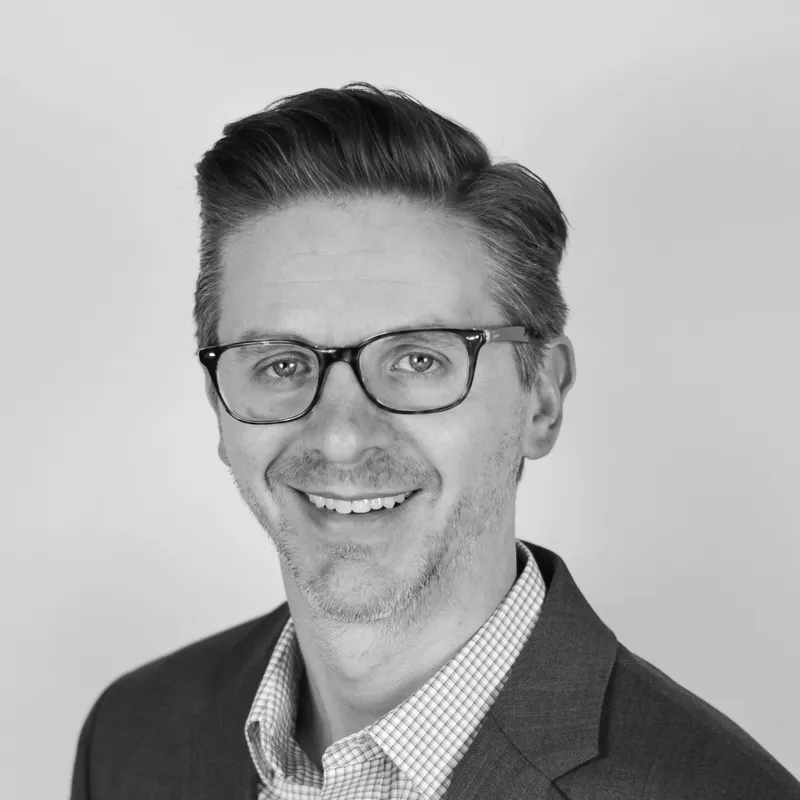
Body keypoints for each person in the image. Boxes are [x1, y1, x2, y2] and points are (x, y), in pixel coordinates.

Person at [70, 82, 800, 799]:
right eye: (282, 365)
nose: (345, 437)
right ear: (220, 407)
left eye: (419, 360)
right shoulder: (134, 735)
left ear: (540, 397)